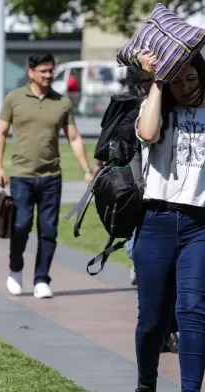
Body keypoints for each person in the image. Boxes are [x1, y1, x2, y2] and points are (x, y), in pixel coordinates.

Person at [93, 66, 179, 355]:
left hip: (139, 203)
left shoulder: (130, 108)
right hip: (146, 201)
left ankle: (165, 331)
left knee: (160, 278)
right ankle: (166, 332)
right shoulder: (139, 112)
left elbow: (104, 154)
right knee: (163, 278)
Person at [133, 50, 205, 392]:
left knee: (192, 310)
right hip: (155, 221)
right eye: (177, 81)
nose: (187, 87)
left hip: (200, 226)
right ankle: (146, 382)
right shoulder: (156, 112)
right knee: (152, 321)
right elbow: (147, 134)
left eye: (192, 78)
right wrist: (158, 80)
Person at [0, 53, 93, 299]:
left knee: (48, 230)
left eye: (51, 70)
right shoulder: (14, 99)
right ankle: (15, 269)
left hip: (51, 176)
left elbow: (74, 137)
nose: (48, 75)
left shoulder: (62, 103)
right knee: (21, 225)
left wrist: (86, 169)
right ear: (31, 72)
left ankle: (41, 279)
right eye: (44, 71)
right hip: (22, 176)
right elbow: (1, 133)